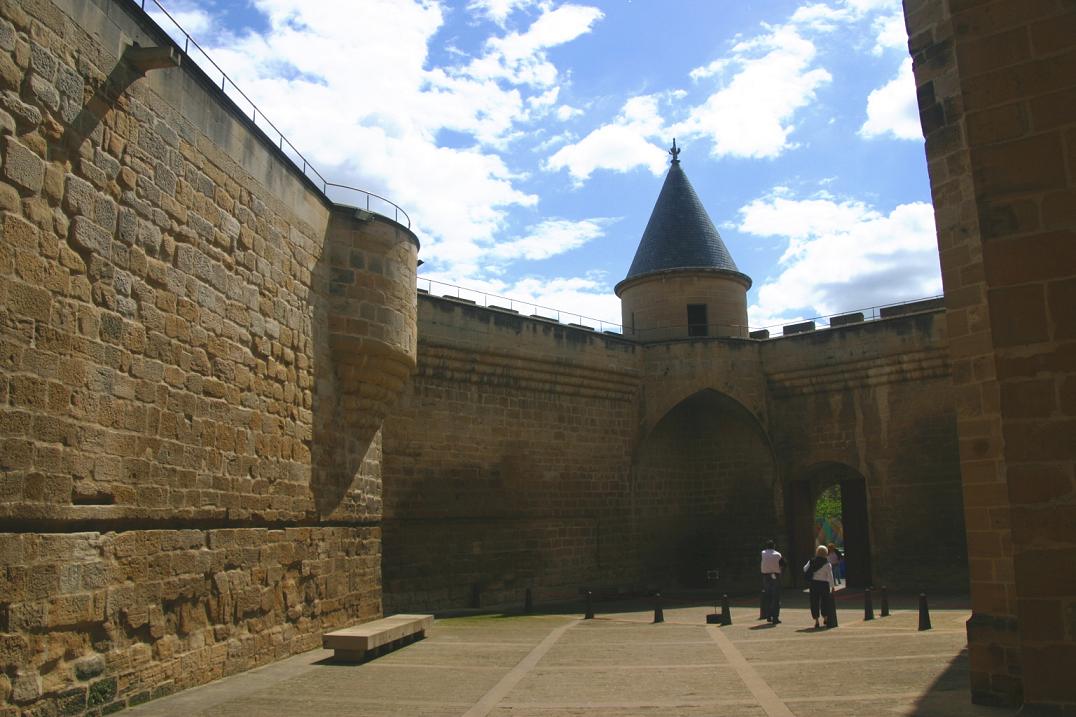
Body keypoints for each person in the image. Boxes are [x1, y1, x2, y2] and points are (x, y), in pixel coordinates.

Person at [804, 544, 835, 628]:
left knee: (814, 602)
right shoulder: (827, 564)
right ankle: (825, 618)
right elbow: (830, 576)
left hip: (814, 584)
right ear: (826, 553)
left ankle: (816, 621)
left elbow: (805, 569)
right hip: (824, 584)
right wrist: (832, 586)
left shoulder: (812, 561)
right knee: (825, 601)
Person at [759, 539, 785, 624]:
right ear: (774, 546)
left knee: (768, 596)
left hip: (765, 576)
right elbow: (783, 564)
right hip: (775, 576)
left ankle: (768, 616)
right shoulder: (778, 554)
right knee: (776, 597)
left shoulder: (762, 553)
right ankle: (775, 617)